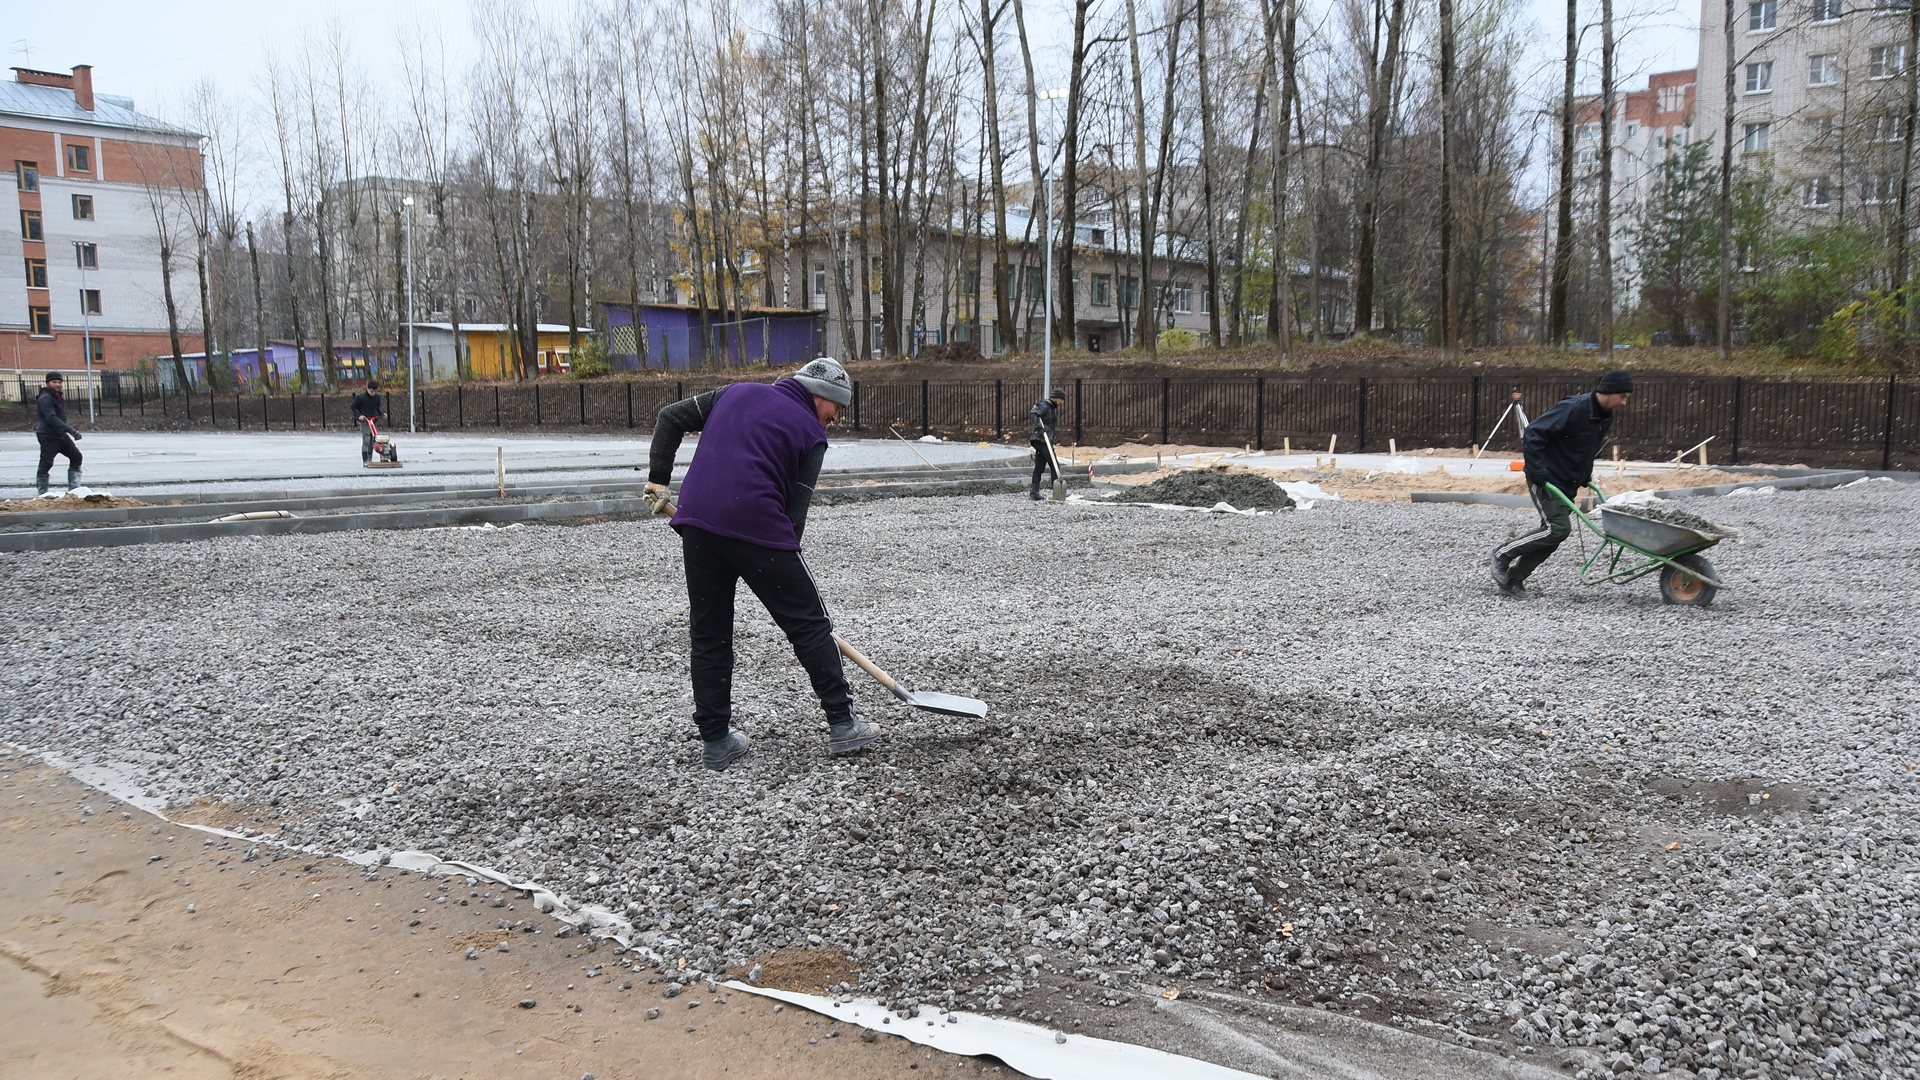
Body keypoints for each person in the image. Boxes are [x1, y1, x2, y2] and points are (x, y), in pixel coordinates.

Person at [643, 357, 882, 772]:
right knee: (809, 624)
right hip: (757, 526)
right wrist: (781, 574)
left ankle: (716, 741)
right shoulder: (810, 432)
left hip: (698, 523)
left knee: (710, 632)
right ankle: (843, 724)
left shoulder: (732, 392)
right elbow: (795, 514)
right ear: (819, 396)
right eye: (836, 409)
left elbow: (669, 418)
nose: (835, 419)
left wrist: (658, 479)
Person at [1491, 370, 1635, 598]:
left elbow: (1589, 447)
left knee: (1553, 535)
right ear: (1609, 392)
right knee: (1557, 529)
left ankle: (1513, 580)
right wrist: (1538, 471)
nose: (1625, 403)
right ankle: (1502, 554)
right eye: (1624, 396)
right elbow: (1534, 432)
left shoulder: (1605, 415)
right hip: (1546, 478)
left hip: (1567, 482)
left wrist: (1586, 474)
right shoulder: (1574, 408)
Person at [34, 372, 83, 495]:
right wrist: (71, 430)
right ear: (47, 383)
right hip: (48, 436)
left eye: (60, 382)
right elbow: (52, 418)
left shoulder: (56, 396)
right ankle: (42, 494)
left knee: (76, 457)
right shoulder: (45, 398)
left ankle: (74, 490)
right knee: (46, 464)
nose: (58, 384)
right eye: (54, 382)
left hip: (60, 435)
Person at [1028, 387, 1065, 500]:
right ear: (1056, 398)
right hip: (1041, 440)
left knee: (1039, 466)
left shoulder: (1051, 408)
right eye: (1061, 400)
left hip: (1045, 441)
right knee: (1054, 464)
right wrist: (1039, 428)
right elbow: (1033, 413)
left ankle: (1034, 493)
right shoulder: (1045, 405)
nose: (1062, 402)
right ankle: (1056, 492)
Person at [352, 381, 385, 464]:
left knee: (373, 439)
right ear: (367, 389)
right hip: (364, 420)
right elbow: (353, 407)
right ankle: (365, 459)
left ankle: (370, 458)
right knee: (366, 439)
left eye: (375, 391)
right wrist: (359, 415)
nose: (373, 393)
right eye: (371, 391)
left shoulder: (377, 397)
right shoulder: (360, 397)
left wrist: (381, 414)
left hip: (373, 420)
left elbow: (377, 407)